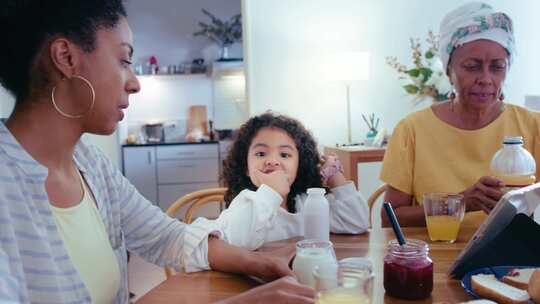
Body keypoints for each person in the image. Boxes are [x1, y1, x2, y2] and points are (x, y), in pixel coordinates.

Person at [0, 1, 315, 303]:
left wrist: (262, 264)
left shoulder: (90, 164)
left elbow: (169, 238)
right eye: (124, 60)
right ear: (66, 58)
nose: (134, 83)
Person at [380, 2, 540, 228]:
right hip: (434, 256)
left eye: (497, 67)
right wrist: (461, 202)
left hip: (510, 259)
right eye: (472, 66)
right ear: (448, 70)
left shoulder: (533, 126)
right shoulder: (412, 129)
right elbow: (389, 218)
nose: (485, 79)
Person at [198, 113, 369, 250]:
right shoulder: (245, 203)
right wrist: (272, 192)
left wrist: (334, 175)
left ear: (299, 165)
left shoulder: (306, 203)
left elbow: (356, 222)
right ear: (245, 167)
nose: (273, 161)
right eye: (261, 154)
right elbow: (239, 242)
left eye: (285, 155)